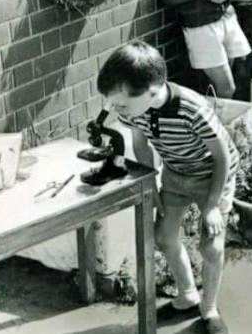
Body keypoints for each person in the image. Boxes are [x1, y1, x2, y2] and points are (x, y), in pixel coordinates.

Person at [97, 41, 238, 334]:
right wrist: (154, 186)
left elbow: (222, 156)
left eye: (121, 104)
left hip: (214, 176)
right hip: (176, 173)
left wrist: (211, 207)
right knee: (163, 237)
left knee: (211, 246)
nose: (116, 109)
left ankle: (209, 309)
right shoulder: (134, 109)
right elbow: (141, 145)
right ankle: (187, 294)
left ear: (151, 90)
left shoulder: (192, 107)